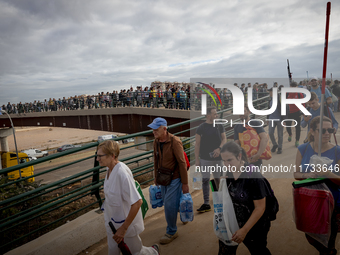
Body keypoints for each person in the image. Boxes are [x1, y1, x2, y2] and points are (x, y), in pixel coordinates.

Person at [97, 140, 159, 255]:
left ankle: (153, 252)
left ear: (112, 156)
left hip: (125, 226)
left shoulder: (122, 174)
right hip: (112, 223)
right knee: (113, 251)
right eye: (97, 155)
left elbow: (137, 202)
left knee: (136, 252)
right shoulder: (109, 169)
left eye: (100, 156)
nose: (98, 159)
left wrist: (123, 228)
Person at [294, 116, 340, 255]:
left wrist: (327, 173)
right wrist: (308, 175)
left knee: (329, 238)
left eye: (330, 130)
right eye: (323, 130)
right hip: (309, 199)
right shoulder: (303, 148)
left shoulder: (337, 151)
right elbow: (296, 174)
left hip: (332, 201)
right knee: (311, 236)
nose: (327, 133)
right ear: (312, 131)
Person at [218, 141, 272, 255]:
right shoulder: (229, 172)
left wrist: (244, 230)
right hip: (234, 222)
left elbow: (260, 208)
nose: (226, 164)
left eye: (229, 160)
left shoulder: (253, 176)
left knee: (259, 251)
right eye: (223, 160)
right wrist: (222, 185)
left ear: (239, 156)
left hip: (254, 226)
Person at [149, 117, 189, 244]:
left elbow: (182, 163)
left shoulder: (175, 141)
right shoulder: (156, 141)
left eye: (156, 129)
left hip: (175, 178)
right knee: (169, 203)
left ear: (164, 129)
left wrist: (185, 183)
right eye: (153, 129)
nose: (153, 131)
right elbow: (156, 160)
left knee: (169, 206)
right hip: (163, 178)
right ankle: (183, 213)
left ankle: (172, 231)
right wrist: (155, 176)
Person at [195, 106, 226, 212]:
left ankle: (220, 200)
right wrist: (197, 160)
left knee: (218, 179)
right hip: (205, 158)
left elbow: (224, 139)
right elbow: (197, 144)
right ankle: (206, 203)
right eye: (214, 113)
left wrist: (219, 148)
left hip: (218, 158)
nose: (216, 115)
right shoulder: (201, 128)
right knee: (205, 180)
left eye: (216, 113)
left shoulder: (219, 125)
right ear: (208, 115)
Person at [234, 104, 269, 169]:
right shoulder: (237, 127)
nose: (241, 113)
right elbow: (236, 144)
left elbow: (264, 138)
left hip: (256, 158)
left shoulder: (255, 123)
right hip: (243, 160)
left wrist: (258, 154)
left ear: (249, 112)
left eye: (243, 111)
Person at [285, 81, 304, 147]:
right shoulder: (287, 94)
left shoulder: (299, 94)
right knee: (288, 126)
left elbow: (303, 103)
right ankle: (290, 134)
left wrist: (303, 112)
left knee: (297, 127)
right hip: (289, 112)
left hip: (297, 112)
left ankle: (297, 140)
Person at [267, 87, 284, 154]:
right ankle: (275, 144)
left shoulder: (280, 99)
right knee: (270, 133)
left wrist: (284, 120)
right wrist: (268, 118)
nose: (269, 93)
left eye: (270, 92)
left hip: (279, 119)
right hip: (272, 118)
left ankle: (280, 147)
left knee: (280, 134)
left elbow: (285, 109)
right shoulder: (270, 99)